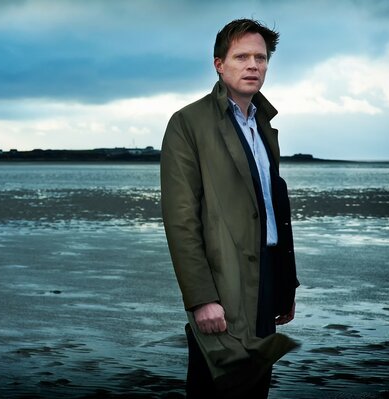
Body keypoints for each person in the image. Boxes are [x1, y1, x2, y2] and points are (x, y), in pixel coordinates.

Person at [160, 19, 300, 398]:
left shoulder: (264, 124)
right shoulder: (187, 123)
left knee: (255, 389)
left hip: (267, 277)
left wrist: (285, 285)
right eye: (241, 57)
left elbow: (272, 209)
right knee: (214, 388)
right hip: (222, 281)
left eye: (261, 57)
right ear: (219, 64)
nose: (253, 65)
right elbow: (180, 220)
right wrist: (202, 297)